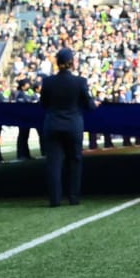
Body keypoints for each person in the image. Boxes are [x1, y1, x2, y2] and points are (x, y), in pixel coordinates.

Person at [40, 47, 96, 207]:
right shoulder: (80, 82)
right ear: (72, 63)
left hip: (52, 124)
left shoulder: (48, 82)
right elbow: (89, 105)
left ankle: (55, 199)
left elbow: (43, 104)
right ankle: (73, 197)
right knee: (74, 161)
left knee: (54, 163)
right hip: (73, 125)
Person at [12, 77, 39, 159]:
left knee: (26, 136)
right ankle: (21, 154)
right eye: (27, 83)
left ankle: (26, 154)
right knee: (22, 136)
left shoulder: (28, 92)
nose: (29, 85)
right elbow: (22, 105)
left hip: (28, 118)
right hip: (22, 118)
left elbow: (34, 99)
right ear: (23, 85)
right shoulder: (20, 94)